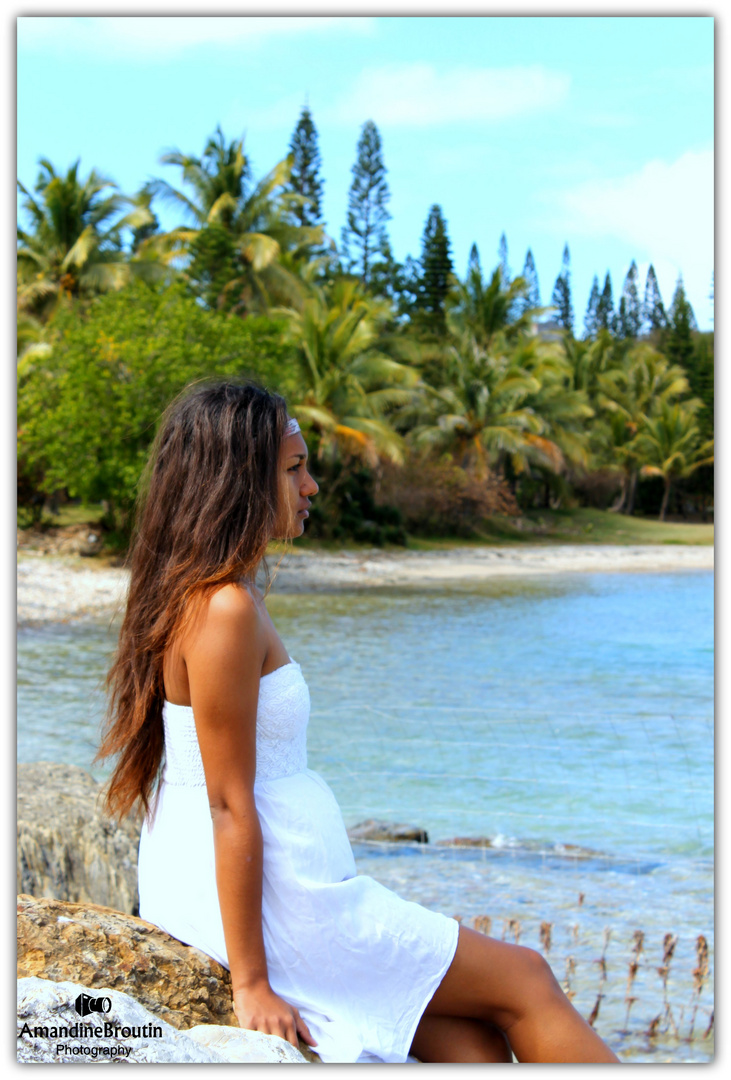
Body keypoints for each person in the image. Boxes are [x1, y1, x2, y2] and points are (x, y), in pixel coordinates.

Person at [97, 380, 620, 1064]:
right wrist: (251, 984)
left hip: (284, 891)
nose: (311, 486)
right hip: (281, 904)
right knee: (524, 977)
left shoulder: (209, 595)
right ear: (237, 479)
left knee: (470, 1043)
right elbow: (227, 803)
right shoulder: (223, 609)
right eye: (293, 469)